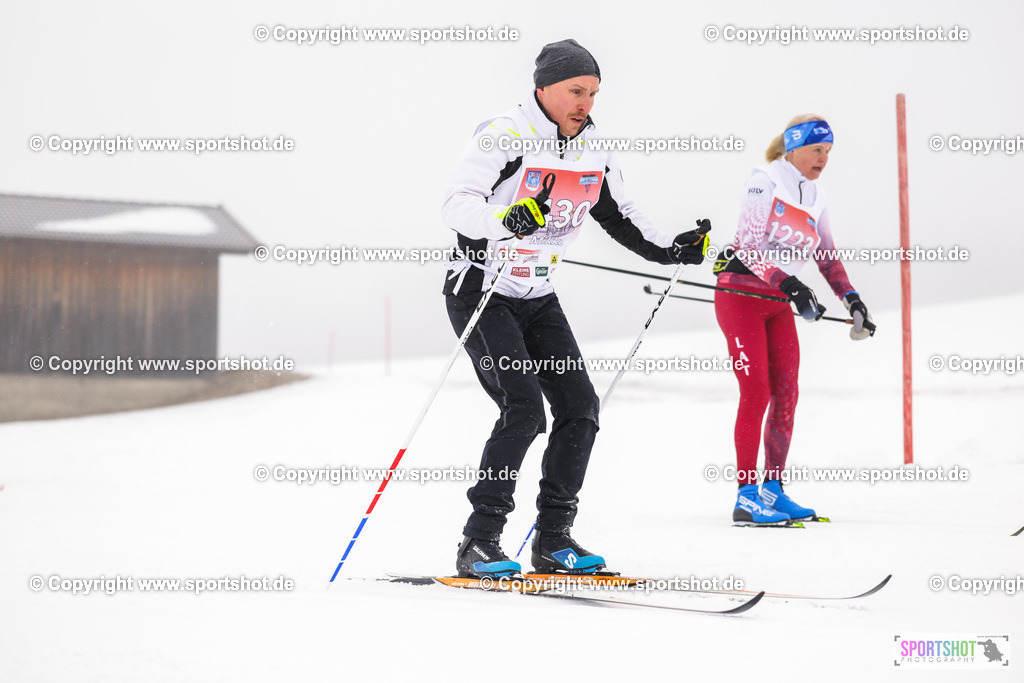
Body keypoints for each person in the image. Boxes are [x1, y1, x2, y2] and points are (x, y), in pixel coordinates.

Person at [442, 39, 709, 577]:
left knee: (580, 407)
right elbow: (457, 202)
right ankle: (480, 541)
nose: (585, 102)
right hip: (482, 292)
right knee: (522, 409)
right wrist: (505, 220)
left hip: (537, 295)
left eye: (592, 92)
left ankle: (553, 538)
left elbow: (619, 215)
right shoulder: (506, 136)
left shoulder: (593, 147)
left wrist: (670, 250)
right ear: (542, 88)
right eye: (575, 91)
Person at [712, 114, 875, 526]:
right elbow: (746, 244)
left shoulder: (816, 196)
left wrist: (852, 300)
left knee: (787, 392)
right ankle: (746, 496)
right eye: (817, 149)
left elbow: (827, 256)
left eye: (829, 152)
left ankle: (773, 488)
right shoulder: (764, 179)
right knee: (756, 392)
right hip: (741, 293)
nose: (824, 158)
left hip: (778, 300)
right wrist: (791, 284)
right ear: (794, 147)